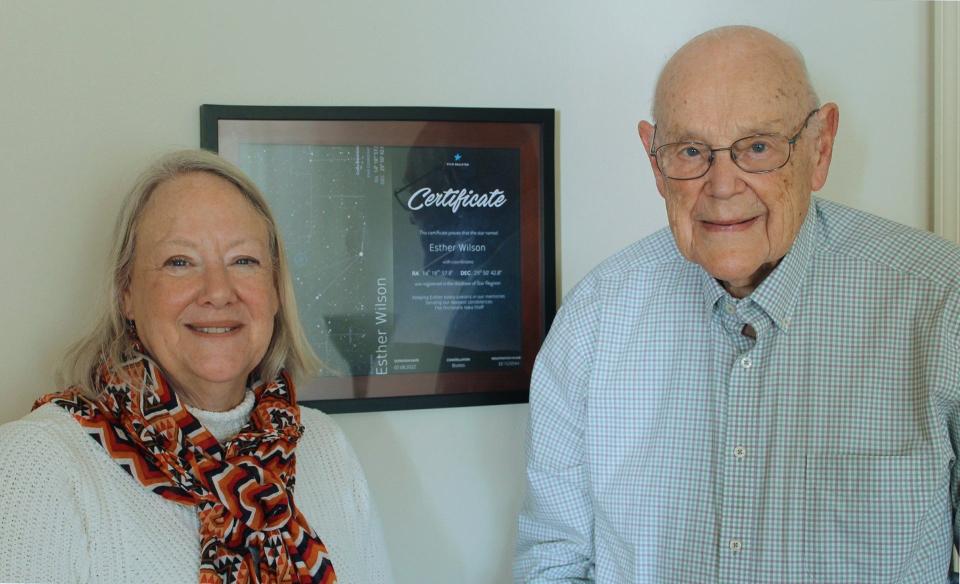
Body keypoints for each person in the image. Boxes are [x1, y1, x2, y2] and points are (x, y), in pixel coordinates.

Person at [514, 25, 960, 583]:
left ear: (820, 148)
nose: (723, 186)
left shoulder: (942, 304)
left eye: (757, 147)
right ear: (656, 163)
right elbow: (554, 561)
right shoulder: (594, 320)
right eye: (692, 151)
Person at [0, 150, 393, 583]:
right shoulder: (38, 463)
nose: (218, 292)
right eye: (180, 262)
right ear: (126, 292)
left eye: (244, 261)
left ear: (276, 289)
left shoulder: (324, 446)